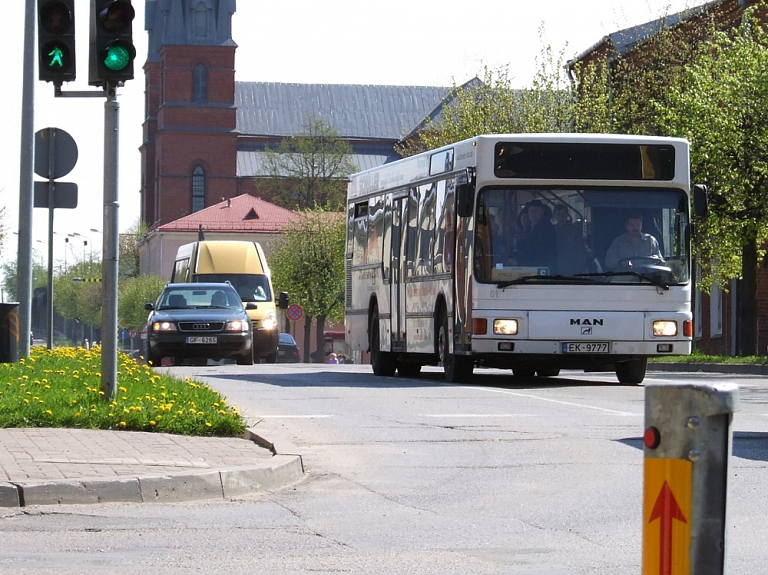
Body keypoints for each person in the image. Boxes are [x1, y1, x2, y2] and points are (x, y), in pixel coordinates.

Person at [515, 200, 557, 271]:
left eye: (535, 210)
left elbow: (537, 250)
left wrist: (519, 260)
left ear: (542, 212)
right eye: (530, 211)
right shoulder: (534, 227)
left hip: (542, 268)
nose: (532, 213)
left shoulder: (545, 227)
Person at [553, 203, 590, 276]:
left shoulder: (575, 231)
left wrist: (578, 269)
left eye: (563, 214)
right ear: (554, 216)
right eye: (558, 214)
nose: (561, 217)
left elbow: (580, 251)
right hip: (556, 267)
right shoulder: (551, 231)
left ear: (567, 215)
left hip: (572, 267)